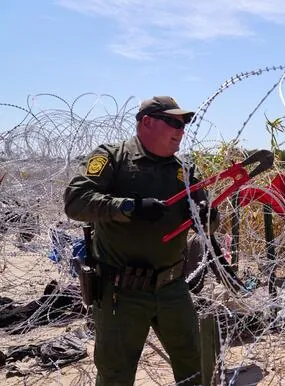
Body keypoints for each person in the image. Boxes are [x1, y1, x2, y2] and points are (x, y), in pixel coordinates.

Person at [63, 96, 218, 385]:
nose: (181, 129)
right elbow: (75, 201)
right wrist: (129, 207)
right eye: (174, 121)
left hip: (172, 287)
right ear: (147, 122)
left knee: (194, 367)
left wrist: (208, 216)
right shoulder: (113, 157)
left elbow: (207, 223)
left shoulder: (183, 170)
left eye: (184, 123)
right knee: (116, 375)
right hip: (121, 292)